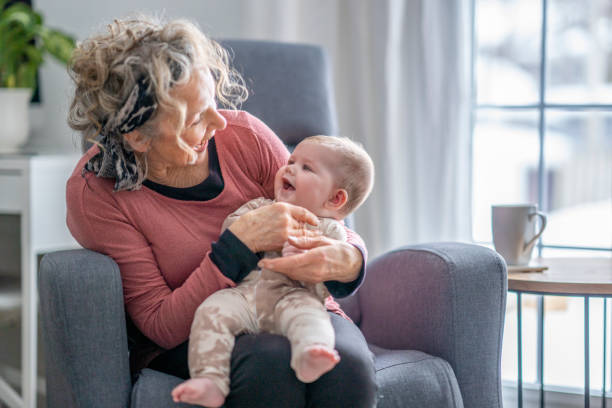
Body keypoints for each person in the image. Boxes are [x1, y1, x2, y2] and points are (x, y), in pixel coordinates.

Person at [65, 15, 377, 407]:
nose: (220, 122)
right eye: (196, 119)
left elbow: (328, 222)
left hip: (294, 302)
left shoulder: (244, 134)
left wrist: (350, 258)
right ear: (138, 137)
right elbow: (160, 324)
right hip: (199, 330)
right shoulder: (97, 193)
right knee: (269, 362)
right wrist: (237, 245)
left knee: (347, 365)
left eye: (212, 101)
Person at [171, 135, 374, 407]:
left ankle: (311, 354)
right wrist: (251, 231)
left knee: (311, 318)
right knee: (211, 311)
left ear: (335, 199)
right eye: (291, 161)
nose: (289, 168)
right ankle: (210, 379)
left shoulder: (329, 229)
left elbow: (335, 264)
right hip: (245, 296)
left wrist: (306, 253)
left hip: (294, 297)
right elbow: (230, 232)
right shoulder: (260, 207)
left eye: (306, 168)